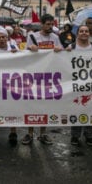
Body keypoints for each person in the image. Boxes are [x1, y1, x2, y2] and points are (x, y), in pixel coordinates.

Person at [22, 14, 63, 145]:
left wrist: (59, 49)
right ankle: (29, 133)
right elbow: (25, 54)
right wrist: (30, 48)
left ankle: (43, 133)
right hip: (34, 75)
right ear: (42, 24)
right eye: (48, 24)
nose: (51, 26)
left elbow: (62, 52)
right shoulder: (32, 36)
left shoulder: (55, 37)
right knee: (32, 105)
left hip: (48, 76)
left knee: (44, 105)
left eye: (52, 24)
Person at [66, 25, 92, 147]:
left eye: (86, 31)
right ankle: (75, 136)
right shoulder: (71, 47)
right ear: (77, 34)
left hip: (91, 84)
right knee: (76, 109)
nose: (84, 33)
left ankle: (89, 135)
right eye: (81, 31)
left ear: (89, 33)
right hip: (75, 85)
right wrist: (63, 51)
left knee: (90, 109)